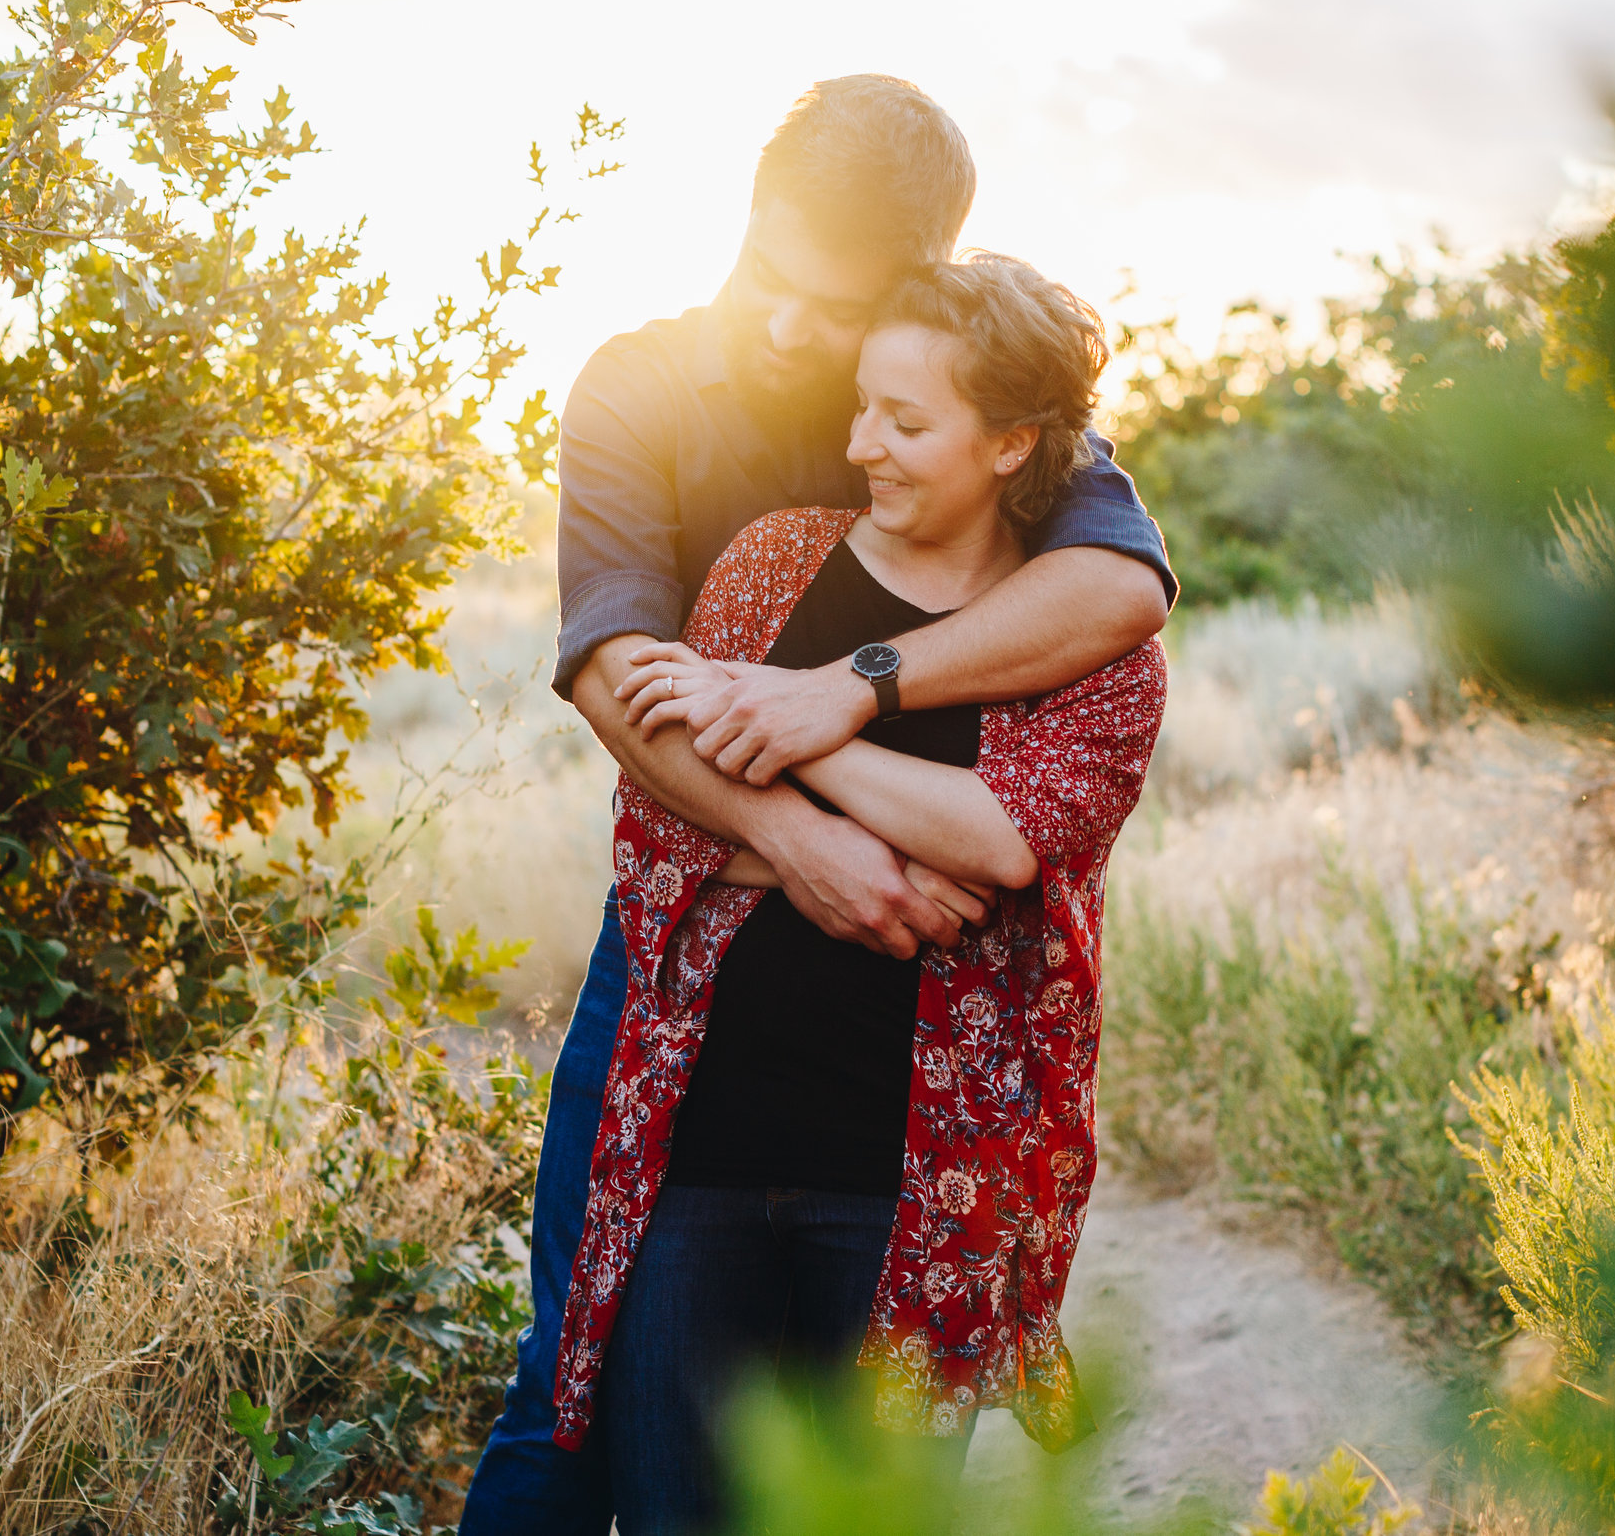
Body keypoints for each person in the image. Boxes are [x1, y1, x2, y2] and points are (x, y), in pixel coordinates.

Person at [456, 76, 1175, 1535]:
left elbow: (1117, 591)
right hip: (690, 985)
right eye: (767, 269)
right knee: (568, 1396)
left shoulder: (962, 388)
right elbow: (613, 674)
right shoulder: (649, 390)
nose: (786, 328)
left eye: (828, 308)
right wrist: (804, 847)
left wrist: (839, 696)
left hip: (912, 1072)